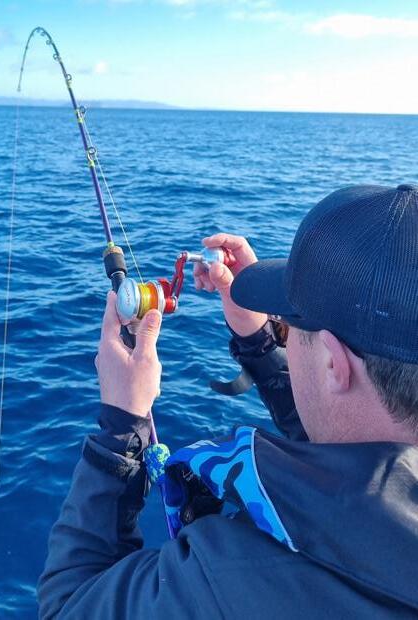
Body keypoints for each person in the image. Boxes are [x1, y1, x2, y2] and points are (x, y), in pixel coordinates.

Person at [37, 184, 418, 619]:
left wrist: (121, 424)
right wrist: (259, 341)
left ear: (334, 363)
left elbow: (68, 605)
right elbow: (353, 438)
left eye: (287, 327)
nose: (282, 334)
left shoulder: (235, 577)